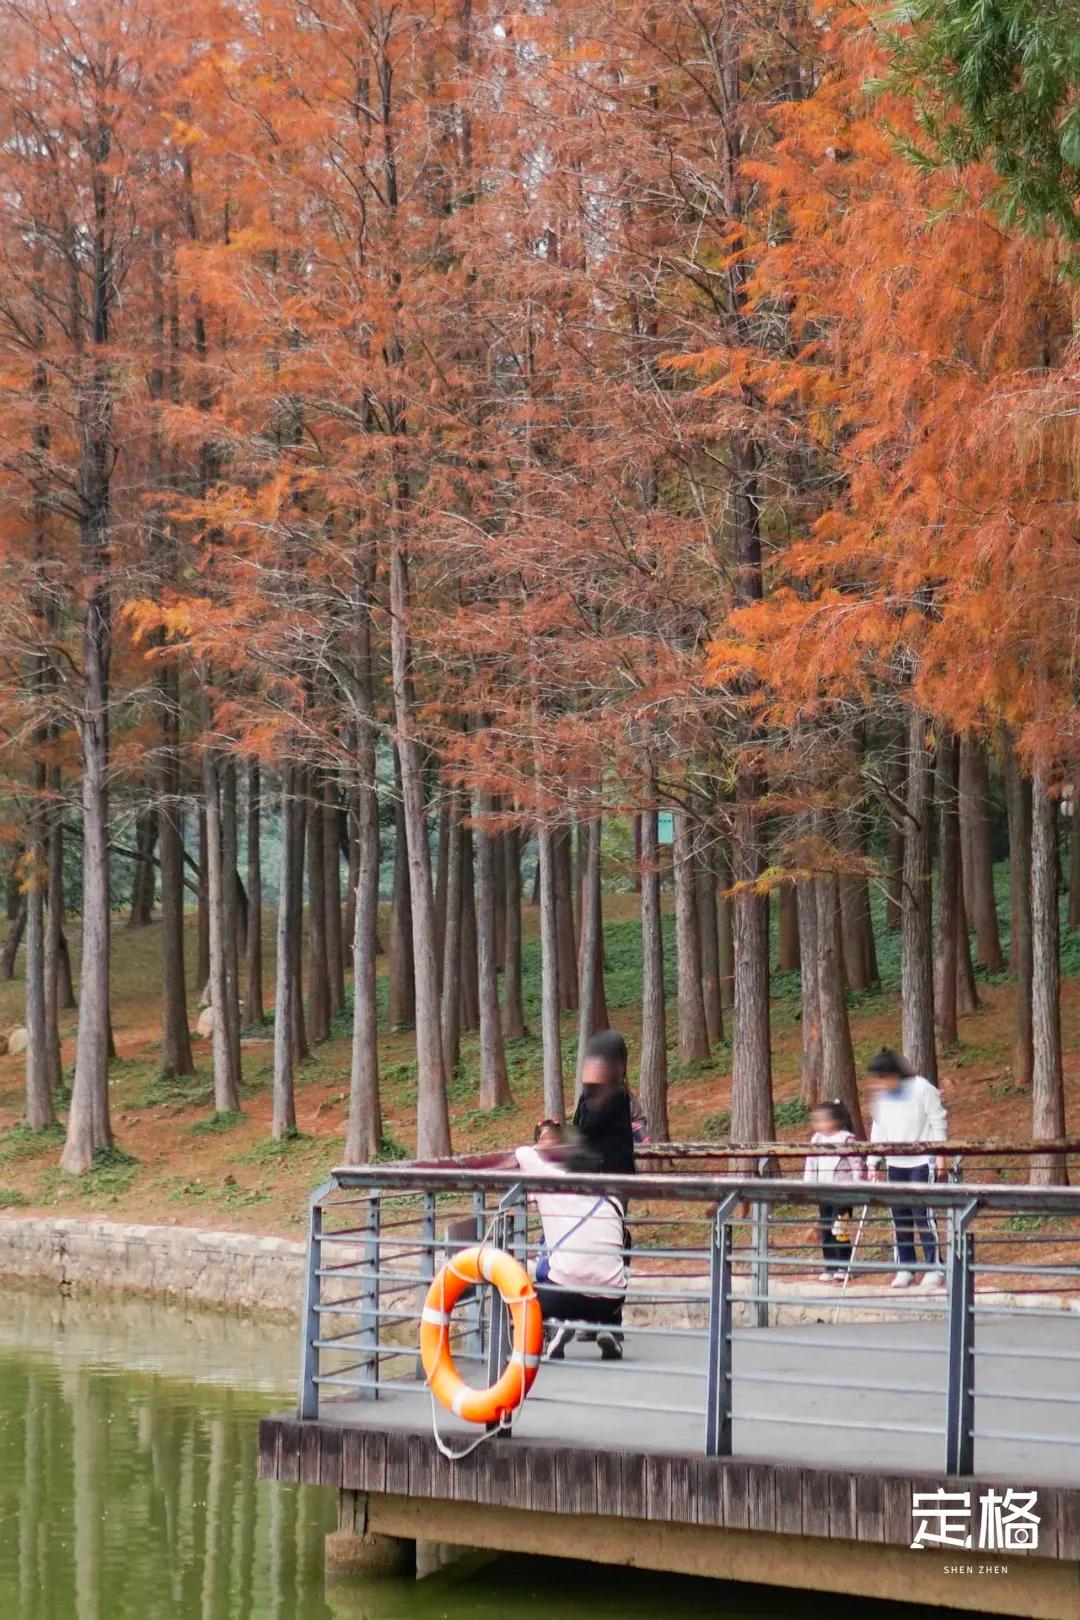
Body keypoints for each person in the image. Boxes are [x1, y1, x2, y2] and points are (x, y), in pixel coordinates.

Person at [513, 1126, 628, 1361]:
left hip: (563, 1298)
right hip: (611, 1301)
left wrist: (546, 1148)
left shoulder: (552, 1185)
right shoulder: (612, 1199)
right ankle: (608, 1327)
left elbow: (523, 1153)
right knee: (600, 1262)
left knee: (525, 1275)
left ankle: (554, 1328)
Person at [865, 1048, 948, 1289]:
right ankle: (906, 1267)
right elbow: (878, 1129)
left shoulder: (922, 1088)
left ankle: (934, 1267)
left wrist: (940, 1154)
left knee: (923, 1215)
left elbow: (937, 1121)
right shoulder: (881, 1098)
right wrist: (873, 1162)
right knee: (899, 1217)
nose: (881, 1083)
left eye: (884, 1077)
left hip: (922, 1161)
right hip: (895, 1163)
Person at [804, 1099, 866, 1283]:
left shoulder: (846, 1138)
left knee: (840, 1228)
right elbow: (810, 1163)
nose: (819, 1124)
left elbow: (857, 1164)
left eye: (823, 1120)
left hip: (843, 1191)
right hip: (823, 1191)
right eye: (817, 1121)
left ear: (836, 1121)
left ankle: (843, 1265)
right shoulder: (816, 1140)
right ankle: (830, 1265)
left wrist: (859, 1186)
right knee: (825, 1229)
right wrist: (808, 1185)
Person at [572, 1029, 637, 1178]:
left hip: (614, 1175)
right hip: (592, 1171)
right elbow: (578, 1128)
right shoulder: (589, 1093)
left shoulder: (617, 1094)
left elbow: (592, 1127)